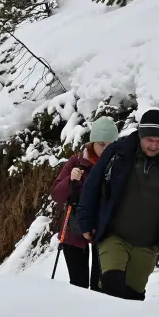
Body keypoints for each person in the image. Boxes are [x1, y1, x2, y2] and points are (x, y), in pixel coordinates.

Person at [76, 109, 159, 301]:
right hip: (114, 235)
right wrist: (86, 220)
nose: (154, 146)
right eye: (149, 140)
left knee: (133, 297)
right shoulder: (119, 151)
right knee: (111, 288)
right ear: (140, 135)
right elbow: (92, 185)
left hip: (148, 243)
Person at [49, 117, 119, 290]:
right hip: (75, 231)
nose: (106, 149)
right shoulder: (78, 161)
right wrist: (70, 179)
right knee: (77, 286)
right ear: (93, 142)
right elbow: (56, 194)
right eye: (102, 144)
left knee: (100, 287)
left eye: (111, 145)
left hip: (103, 231)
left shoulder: (117, 164)